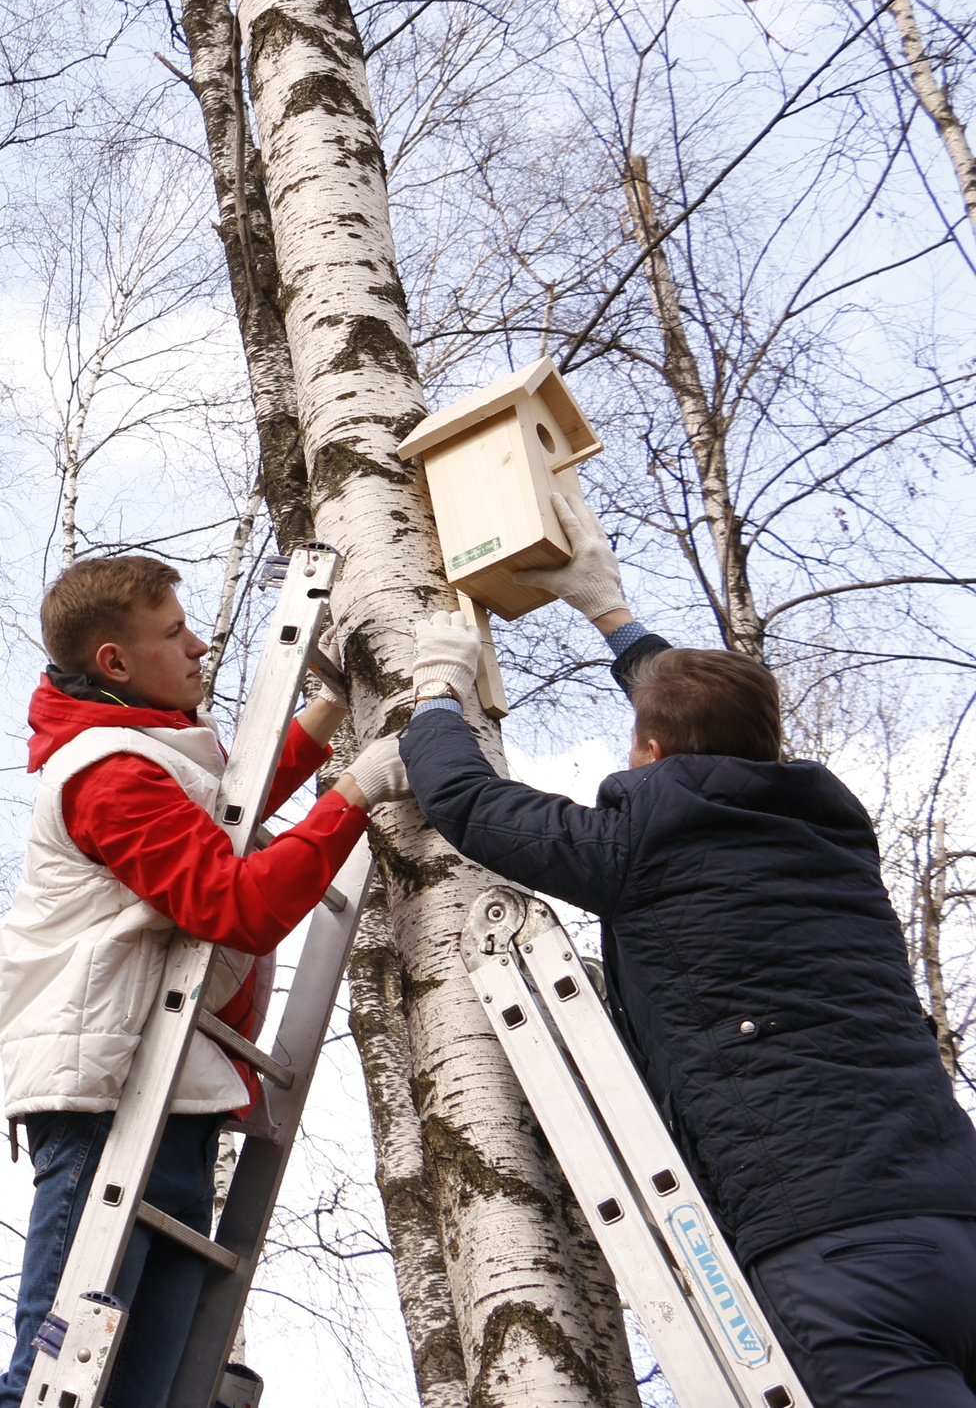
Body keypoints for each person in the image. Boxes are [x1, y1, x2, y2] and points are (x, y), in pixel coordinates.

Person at [400, 496, 976, 1408]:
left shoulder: (637, 847)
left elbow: (470, 804)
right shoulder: (835, 838)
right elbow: (707, 720)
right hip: (955, 1217)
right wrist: (612, 615)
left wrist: (434, 692)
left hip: (824, 1244)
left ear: (653, 749)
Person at [0, 556, 413, 1408]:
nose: (201, 644)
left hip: (170, 1095)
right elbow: (234, 902)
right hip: (105, 1101)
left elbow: (230, 805)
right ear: (115, 662)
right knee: (59, 1372)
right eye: (175, 633)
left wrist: (331, 708)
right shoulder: (109, 773)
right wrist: (357, 793)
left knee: (146, 1390)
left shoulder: (155, 752)